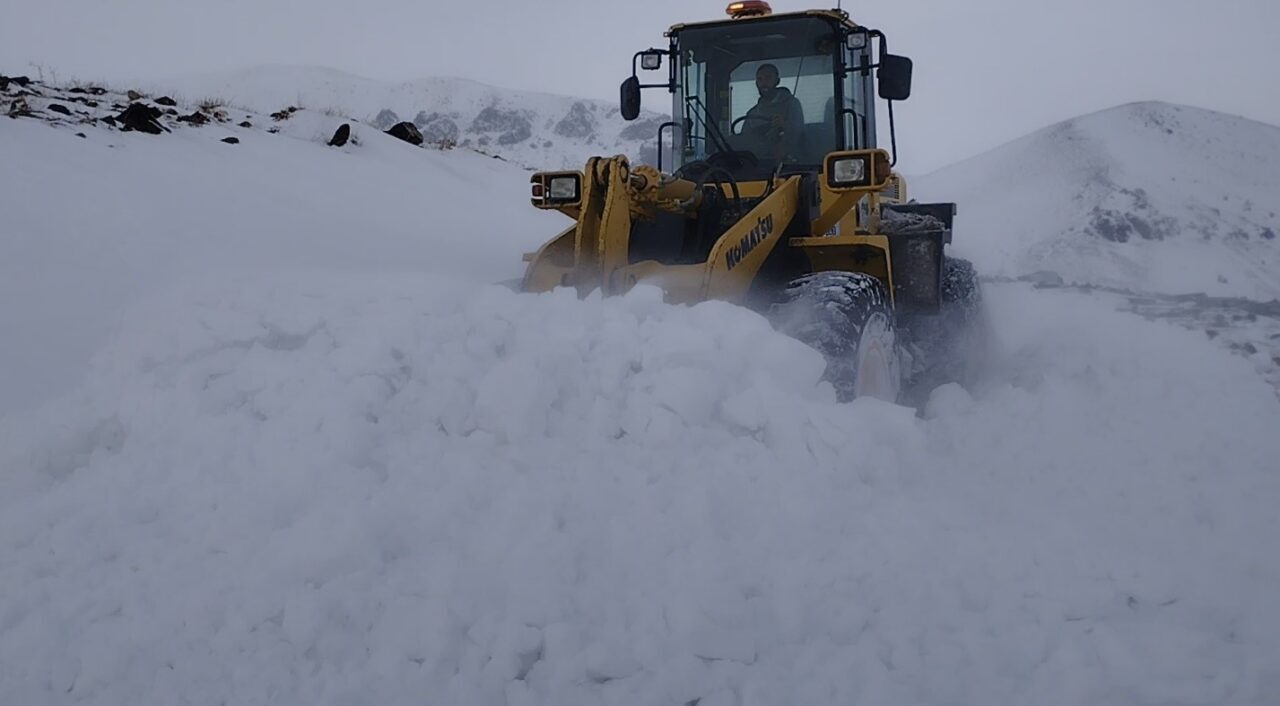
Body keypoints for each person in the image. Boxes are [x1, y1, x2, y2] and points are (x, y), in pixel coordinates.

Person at [741, 63, 805, 161]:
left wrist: (784, 125)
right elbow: (744, 143)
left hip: (792, 165)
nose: (763, 83)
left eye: (768, 78)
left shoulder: (791, 104)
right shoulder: (752, 114)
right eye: (760, 79)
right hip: (758, 166)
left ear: (777, 81)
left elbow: (800, 133)